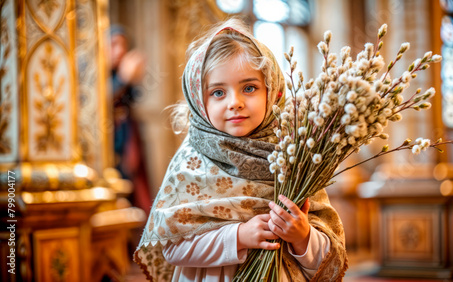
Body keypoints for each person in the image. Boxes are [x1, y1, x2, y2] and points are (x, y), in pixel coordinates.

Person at [134, 18, 348, 281]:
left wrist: (302, 237)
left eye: (249, 88)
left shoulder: (294, 158)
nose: (235, 103)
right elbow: (173, 246)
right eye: (218, 92)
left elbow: (327, 260)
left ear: (273, 92)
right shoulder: (190, 161)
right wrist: (238, 237)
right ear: (199, 101)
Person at [109, 25, 152, 213]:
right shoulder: (98, 77)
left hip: (129, 143)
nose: (120, 51)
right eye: (114, 44)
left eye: (123, 45)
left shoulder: (122, 77)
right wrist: (123, 78)